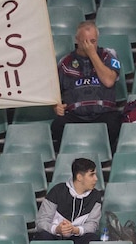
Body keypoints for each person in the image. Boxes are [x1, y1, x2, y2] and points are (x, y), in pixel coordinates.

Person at [52, 21, 122, 149]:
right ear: (77, 40)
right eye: (85, 41)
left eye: (93, 41)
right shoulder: (65, 62)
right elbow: (54, 92)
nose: (89, 45)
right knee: (57, 125)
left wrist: (92, 54)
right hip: (75, 116)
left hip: (103, 114)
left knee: (115, 123)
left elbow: (109, 81)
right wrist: (56, 106)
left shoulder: (108, 56)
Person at [34, 157, 102, 244]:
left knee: (92, 239)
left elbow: (93, 224)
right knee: (42, 236)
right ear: (79, 177)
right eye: (92, 175)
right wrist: (57, 229)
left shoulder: (95, 196)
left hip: (76, 239)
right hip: (55, 237)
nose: (96, 179)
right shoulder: (57, 191)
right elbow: (41, 222)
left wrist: (75, 230)